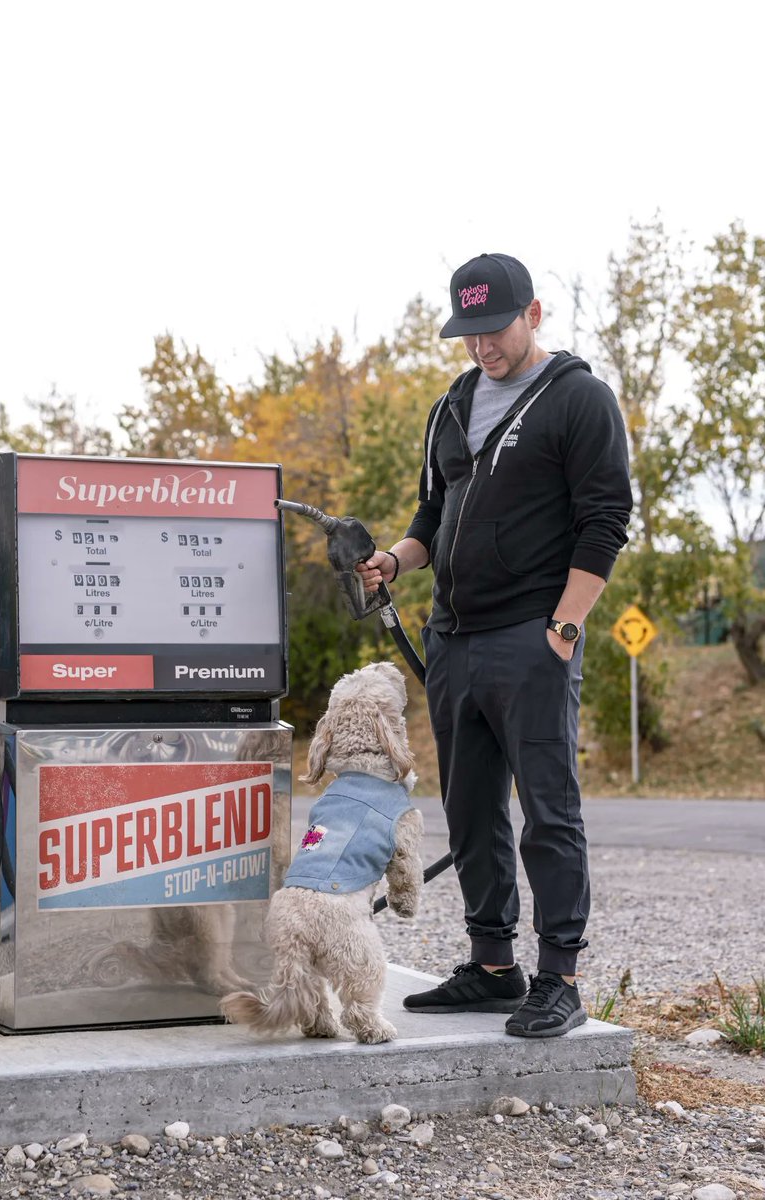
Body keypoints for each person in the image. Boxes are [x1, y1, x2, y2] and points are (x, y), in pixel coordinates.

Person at [357, 252, 633, 1038]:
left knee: (548, 810)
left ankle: (559, 978)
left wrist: (563, 629)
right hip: (453, 637)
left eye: (495, 328)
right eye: (468, 332)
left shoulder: (577, 398)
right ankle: (491, 967)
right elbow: (430, 516)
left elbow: (605, 519)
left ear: (532, 314)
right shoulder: (451, 405)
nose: (482, 346)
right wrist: (394, 562)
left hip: (531, 636)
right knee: (470, 808)